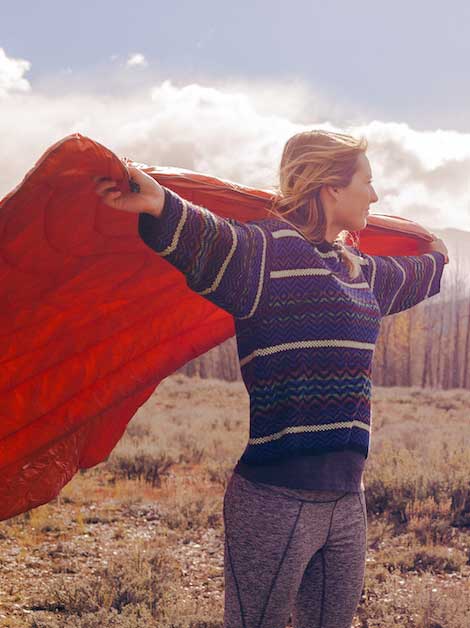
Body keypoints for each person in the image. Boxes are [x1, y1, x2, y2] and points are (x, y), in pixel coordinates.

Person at [94, 130, 448, 628]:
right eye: (367, 182)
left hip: (348, 501)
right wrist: (160, 202)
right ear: (330, 186)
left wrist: (437, 254)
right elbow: (211, 237)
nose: (375, 195)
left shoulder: (358, 270)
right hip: (274, 500)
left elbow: (418, 275)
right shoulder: (265, 256)